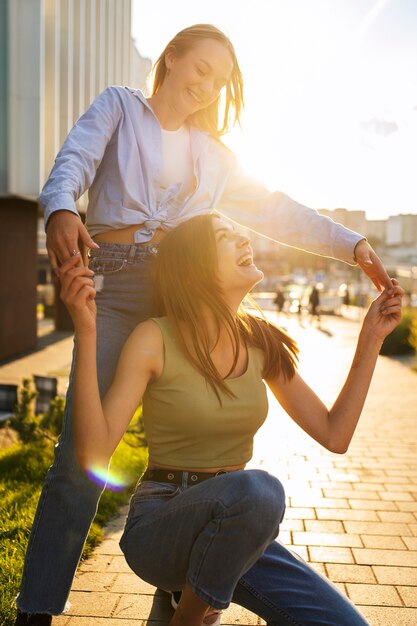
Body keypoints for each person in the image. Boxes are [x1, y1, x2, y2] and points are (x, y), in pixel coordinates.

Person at [15, 23, 393, 625]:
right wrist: (61, 205)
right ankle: (36, 611)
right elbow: (74, 161)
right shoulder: (118, 107)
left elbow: (278, 210)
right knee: (84, 457)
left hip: (179, 292)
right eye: (200, 69)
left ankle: (180, 574)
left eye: (219, 81)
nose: (206, 86)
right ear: (171, 59)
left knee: (189, 427)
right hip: (114, 287)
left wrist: (352, 245)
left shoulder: (214, 156)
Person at [60, 213, 402, 626]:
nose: (244, 240)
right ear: (195, 266)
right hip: (162, 524)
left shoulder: (261, 339)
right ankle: (189, 617)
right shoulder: (154, 338)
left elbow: (335, 434)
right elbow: (94, 453)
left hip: (240, 529)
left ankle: (184, 601)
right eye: (227, 237)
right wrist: (86, 329)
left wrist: (372, 338)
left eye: (241, 233)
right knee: (260, 490)